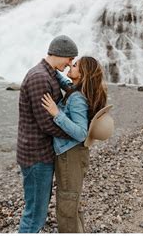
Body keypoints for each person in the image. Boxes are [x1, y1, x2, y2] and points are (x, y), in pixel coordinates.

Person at [17, 35, 78, 233]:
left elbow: (72, 89)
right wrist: (79, 135)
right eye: (70, 59)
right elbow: (46, 124)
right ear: (60, 55)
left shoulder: (50, 73)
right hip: (36, 156)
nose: (70, 64)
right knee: (34, 215)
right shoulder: (39, 78)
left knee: (37, 211)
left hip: (43, 153)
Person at [41, 56, 107, 233]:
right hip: (74, 155)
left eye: (75, 64)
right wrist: (50, 66)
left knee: (67, 206)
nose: (71, 64)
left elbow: (81, 133)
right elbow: (64, 81)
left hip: (71, 156)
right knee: (72, 202)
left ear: (83, 74)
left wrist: (57, 113)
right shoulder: (76, 88)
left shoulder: (77, 97)